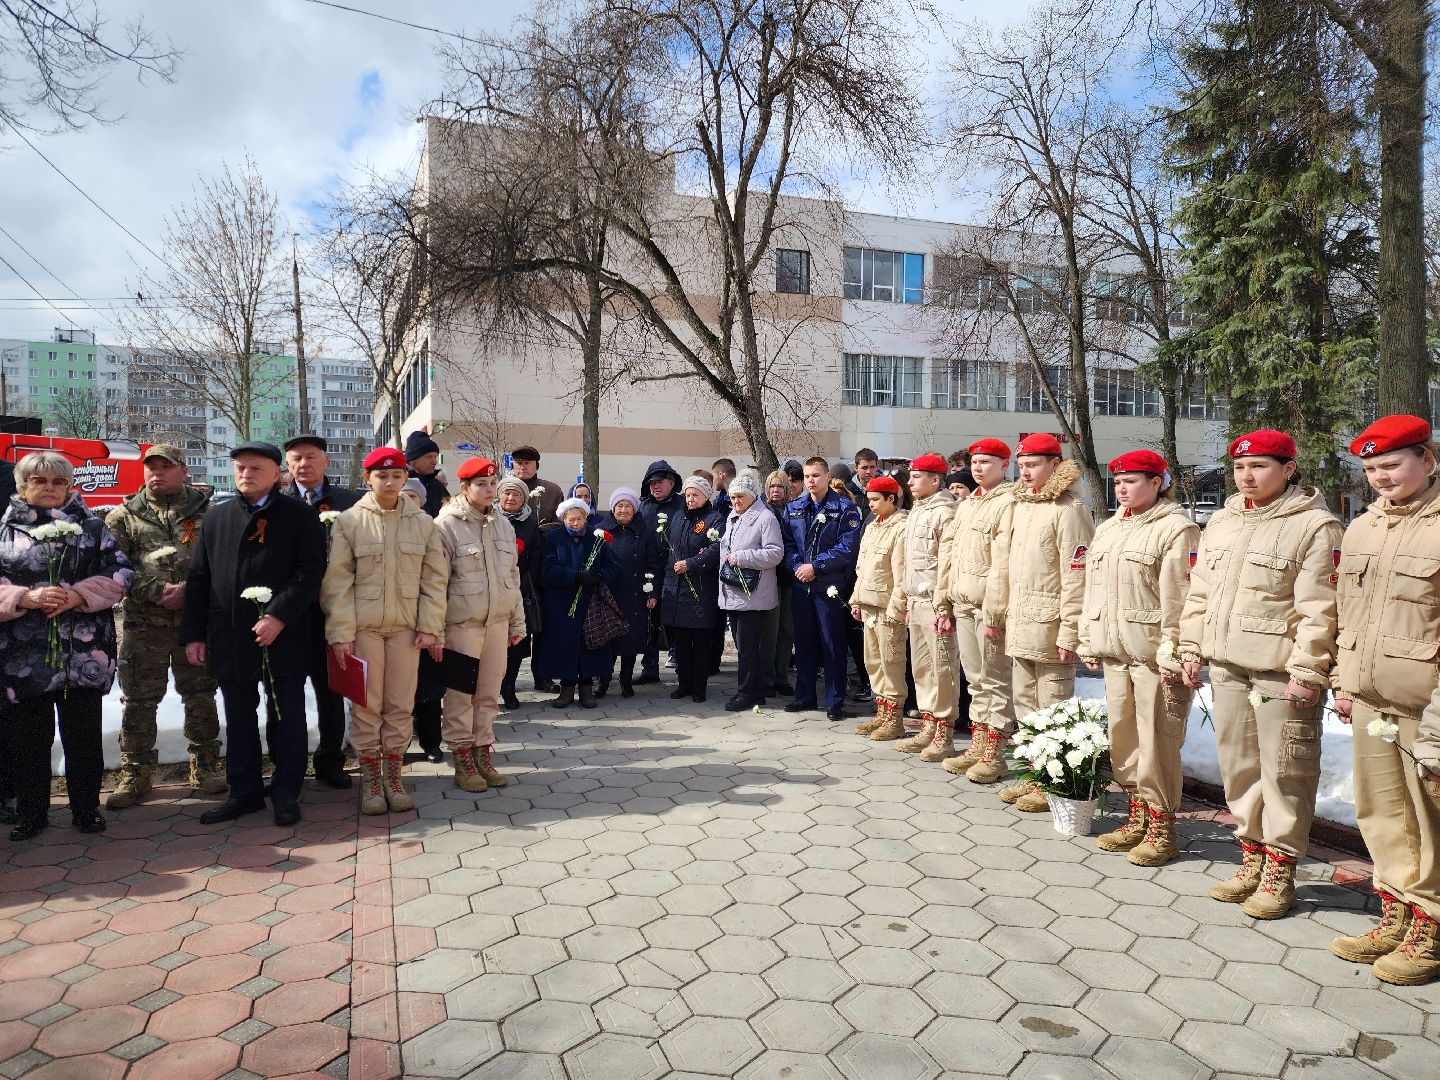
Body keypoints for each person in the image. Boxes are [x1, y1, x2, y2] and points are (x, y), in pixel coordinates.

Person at [1179, 429, 1342, 919]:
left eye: (1260, 467)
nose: (1247, 477)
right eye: (1240, 468)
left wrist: (1308, 671)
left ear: (1289, 469)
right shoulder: (1224, 522)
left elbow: (1321, 608)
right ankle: (1251, 854)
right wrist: (1191, 646)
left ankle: (1281, 867)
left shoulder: (1315, 526)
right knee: (1239, 764)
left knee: (1285, 770)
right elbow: (1200, 591)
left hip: (1279, 672)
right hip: (1228, 664)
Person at [1330, 416, 1440, 983]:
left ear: (1427, 458)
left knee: (1430, 822)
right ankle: (1397, 909)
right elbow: (1350, 614)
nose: (1380, 477)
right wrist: (1346, 683)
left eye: (1392, 464)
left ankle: (1431, 926)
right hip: (1373, 699)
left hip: (1426, 708)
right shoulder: (1364, 527)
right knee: (1383, 814)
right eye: (1371, 468)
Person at [182, 442, 327, 828]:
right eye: (240, 468)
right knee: (239, 715)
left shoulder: (298, 515)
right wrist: (194, 634)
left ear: (277, 474)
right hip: (229, 633)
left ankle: (285, 791)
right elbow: (199, 577)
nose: (246, 474)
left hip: (285, 634)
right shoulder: (216, 517)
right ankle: (243, 791)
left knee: (287, 714)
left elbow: (311, 570)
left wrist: (279, 614)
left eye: (255, 468)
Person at [0, 451, 132, 840]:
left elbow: (121, 572)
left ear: (69, 486)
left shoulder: (92, 528)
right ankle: (32, 813)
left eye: (58, 482)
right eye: (39, 481)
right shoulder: (5, 530)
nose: (49, 489)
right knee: (28, 740)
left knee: (84, 738)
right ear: (22, 486)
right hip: (24, 656)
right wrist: (24, 598)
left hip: (82, 654)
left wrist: (78, 595)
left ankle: (86, 810)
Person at [1074, 451, 1198, 863]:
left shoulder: (1175, 529)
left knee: (1158, 741)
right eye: (1119, 481)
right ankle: (1136, 813)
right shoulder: (1108, 528)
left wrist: (1174, 651)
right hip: (1114, 652)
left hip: (1152, 656)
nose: (1123, 488)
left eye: (1133, 481)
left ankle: (1162, 825)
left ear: (1158, 482)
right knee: (1124, 736)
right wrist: (1088, 639)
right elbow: (1093, 589)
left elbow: (1180, 599)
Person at [321, 447, 449, 815]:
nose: (390, 482)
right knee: (366, 705)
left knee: (400, 704)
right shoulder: (350, 522)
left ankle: (394, 776)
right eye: (382, 476)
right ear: (368, 479)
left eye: (396, 476)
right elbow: (337, 583)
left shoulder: (423, 522)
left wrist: (430, 626)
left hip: (407, 630)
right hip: (364, 629)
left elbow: (434, 579)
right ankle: (371, 781)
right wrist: (341, 632)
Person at [104, 444, 222, 808]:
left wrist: (188, 592)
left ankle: (205, 767)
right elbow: (113, 566)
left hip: (195, 623)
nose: (157, 473)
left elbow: (223, 561)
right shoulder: (122, 516)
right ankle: (135, 774)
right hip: (145, 624)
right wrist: (156, 591)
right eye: (151, 468)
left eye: (165, 467)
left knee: (200, 695)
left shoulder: (209, 513)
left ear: (183, 471)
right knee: (139, 700)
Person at [983, 434, 1094, 793]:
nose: (1025, 473)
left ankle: (1054, 784)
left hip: (1050, 627)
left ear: (1055, 466)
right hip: (1020, 622)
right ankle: (1033, 776)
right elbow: (1004, 568)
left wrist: (1070, 632)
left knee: (1053, 709)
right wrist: (997, 614)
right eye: (1022, 465)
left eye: (1033, 465)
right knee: (1026, 708)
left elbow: (1078, 576)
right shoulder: (1021, 505)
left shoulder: (1069, 510)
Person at [435, 457, 525, 794]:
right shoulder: (446, 525)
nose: (489, 490)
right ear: (464, 488)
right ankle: (462, 758)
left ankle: (483, 752)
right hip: (461, 625)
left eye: (492, 484)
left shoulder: (503, 524)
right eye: (481, 485)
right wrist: (435, 629)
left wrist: (517, 620)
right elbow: (435, 582)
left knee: (488, 695)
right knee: (460, 696)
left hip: (497, 624)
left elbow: (511, 577)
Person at [281, 433, 360, 790]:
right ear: (287, 465)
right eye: (296, 459)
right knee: (287, 690)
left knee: (332, 691)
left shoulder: (349, 502)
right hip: (291, 614)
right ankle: (289, 765)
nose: (303, 465)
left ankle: (330, 760)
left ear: (326, 462)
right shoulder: (277, 503)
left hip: (334, 612)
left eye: (311, 457)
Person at [936, 439, 1015, 780]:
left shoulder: (1009, 502)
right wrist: (945, 601)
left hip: (987, 607)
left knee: (995, 681)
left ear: (1004, 465)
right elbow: (949, 556)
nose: (978, 468)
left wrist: (996, 614)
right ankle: (980, 742)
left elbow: (1003, 564)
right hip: (963, 602)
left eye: (986, 462)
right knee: (975, 681)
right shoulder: (968, 504)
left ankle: (996, 752)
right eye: (975, 462)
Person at [780, 457, 862, 721]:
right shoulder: (794, 508)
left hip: (828, 586)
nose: (810, 481)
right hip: (801, 585)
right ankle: (805, 696)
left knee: (832, 643)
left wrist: (815, 566)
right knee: (803, 643)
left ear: (828, 476)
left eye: (816, 475)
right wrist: (797, 566)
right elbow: (787, 543)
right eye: (806, 476)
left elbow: (847, 548)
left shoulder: (844, 508)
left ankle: (834, 700)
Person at [897, 454, 960, 761]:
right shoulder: (917, 511)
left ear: (935, 480)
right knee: (921, 667)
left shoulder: (946, 512)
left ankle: (944, 732)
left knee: (942, 668)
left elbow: (946, 564)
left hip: (936, 603)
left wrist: (944, 606)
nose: (909, 482)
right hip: (916, 601)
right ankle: (928, 723)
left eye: (916, 476)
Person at [537, 498, 621, 707]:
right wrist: (574, 576)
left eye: (580, 519)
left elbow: (614, 568)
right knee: (565, 645)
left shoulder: (595, 538)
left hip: (590, 602)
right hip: (561, 603)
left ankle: (586, 688)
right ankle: (566, 689)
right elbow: (547, 569)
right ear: (564, 519)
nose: (576, 524)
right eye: (571, 519)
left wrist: (598, 576)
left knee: (589, 645)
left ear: (586, 518)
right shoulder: (554, 537)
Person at [718, 472, 783, 711]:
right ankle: (755, 691)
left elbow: (775, 553)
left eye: (740, 497)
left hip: (752, 594)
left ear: (752, 496)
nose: (735, 501)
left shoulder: (765, 518)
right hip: (734, 590)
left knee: (747, 648)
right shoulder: (733, 517)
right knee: (742, 645)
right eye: (732, 497)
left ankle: (747, 692)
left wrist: (742, 558)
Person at [659, 476, 728, 702]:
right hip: (678, 591)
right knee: (680, 644)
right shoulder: (678, 517)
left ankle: (699, 687)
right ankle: (684, 684)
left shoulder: (714, 519)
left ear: (706, 496)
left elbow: (717, 549)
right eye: (687, 495)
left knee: (700, 645)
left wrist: (692, 564)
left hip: (700, 590)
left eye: (695, 495)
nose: (690, 499)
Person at [851, 476, 909, 739]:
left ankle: (895, 718)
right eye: (869, 500)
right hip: (869, 605)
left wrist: (897, 608)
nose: (870, 505)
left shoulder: (901, 527)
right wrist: (856, 599)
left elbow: (900, 573)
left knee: (891, 661)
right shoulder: (873, 526)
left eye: (876, 500)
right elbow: (861, 568)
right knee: (873, 661)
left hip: (887, 608)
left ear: (891, 499)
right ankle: (882, 712)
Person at [601, 487, 657, 699]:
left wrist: (652, 592)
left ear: (635, 509)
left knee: (630, 641)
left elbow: (653, 564)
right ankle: (604, 681)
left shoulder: (645, 532)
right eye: (619, 506)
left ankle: (626, 681)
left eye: (628, 506)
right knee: (608, 642)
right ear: (613, 508)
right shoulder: (601, 530)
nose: (623, 510)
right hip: (609, 595)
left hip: (634, 595)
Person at [637, 459, 684, 684]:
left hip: (679, 571)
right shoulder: (642, 506)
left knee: (678, 621)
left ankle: (683, 670)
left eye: (660, 481)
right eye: (651, 482)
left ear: (672, 482)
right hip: (650, 572)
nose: (655, 486)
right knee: (649, 619)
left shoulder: (684, 504)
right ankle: (650, 668)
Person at [497, 475, 542, 710]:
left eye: (516, 494)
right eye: (506, 493)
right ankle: (490, 688)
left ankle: (509, 688)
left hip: (519, 592)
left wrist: (525, 582)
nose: (511, 498)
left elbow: (535, 557)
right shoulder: (489, 518)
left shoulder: (530, 523)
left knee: (515, 643)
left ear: (524, 498)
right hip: (492, 592)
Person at [760, 470, 796, 697]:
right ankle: (766, 678)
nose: (775, 490)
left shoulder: (794, 511)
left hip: (789, 578)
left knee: (786, 630)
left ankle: (782, 676)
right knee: (768, 632)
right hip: (768, 578)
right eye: (772, 486)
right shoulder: (761, 511)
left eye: (780, 487)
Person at [510, 445, 564, 530]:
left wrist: (538, 531)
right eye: (519, 463)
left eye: (527, 463)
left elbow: (560, 521)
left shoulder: (552, 490)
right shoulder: (504, 491)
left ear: (537, 466)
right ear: (513, 466)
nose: (523, 467)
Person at [405, 430, 451, 518]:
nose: (434, 461)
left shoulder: (439, 487)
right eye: (429, 457)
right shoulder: (400, 487)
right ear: (412, 460)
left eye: (435, 456)